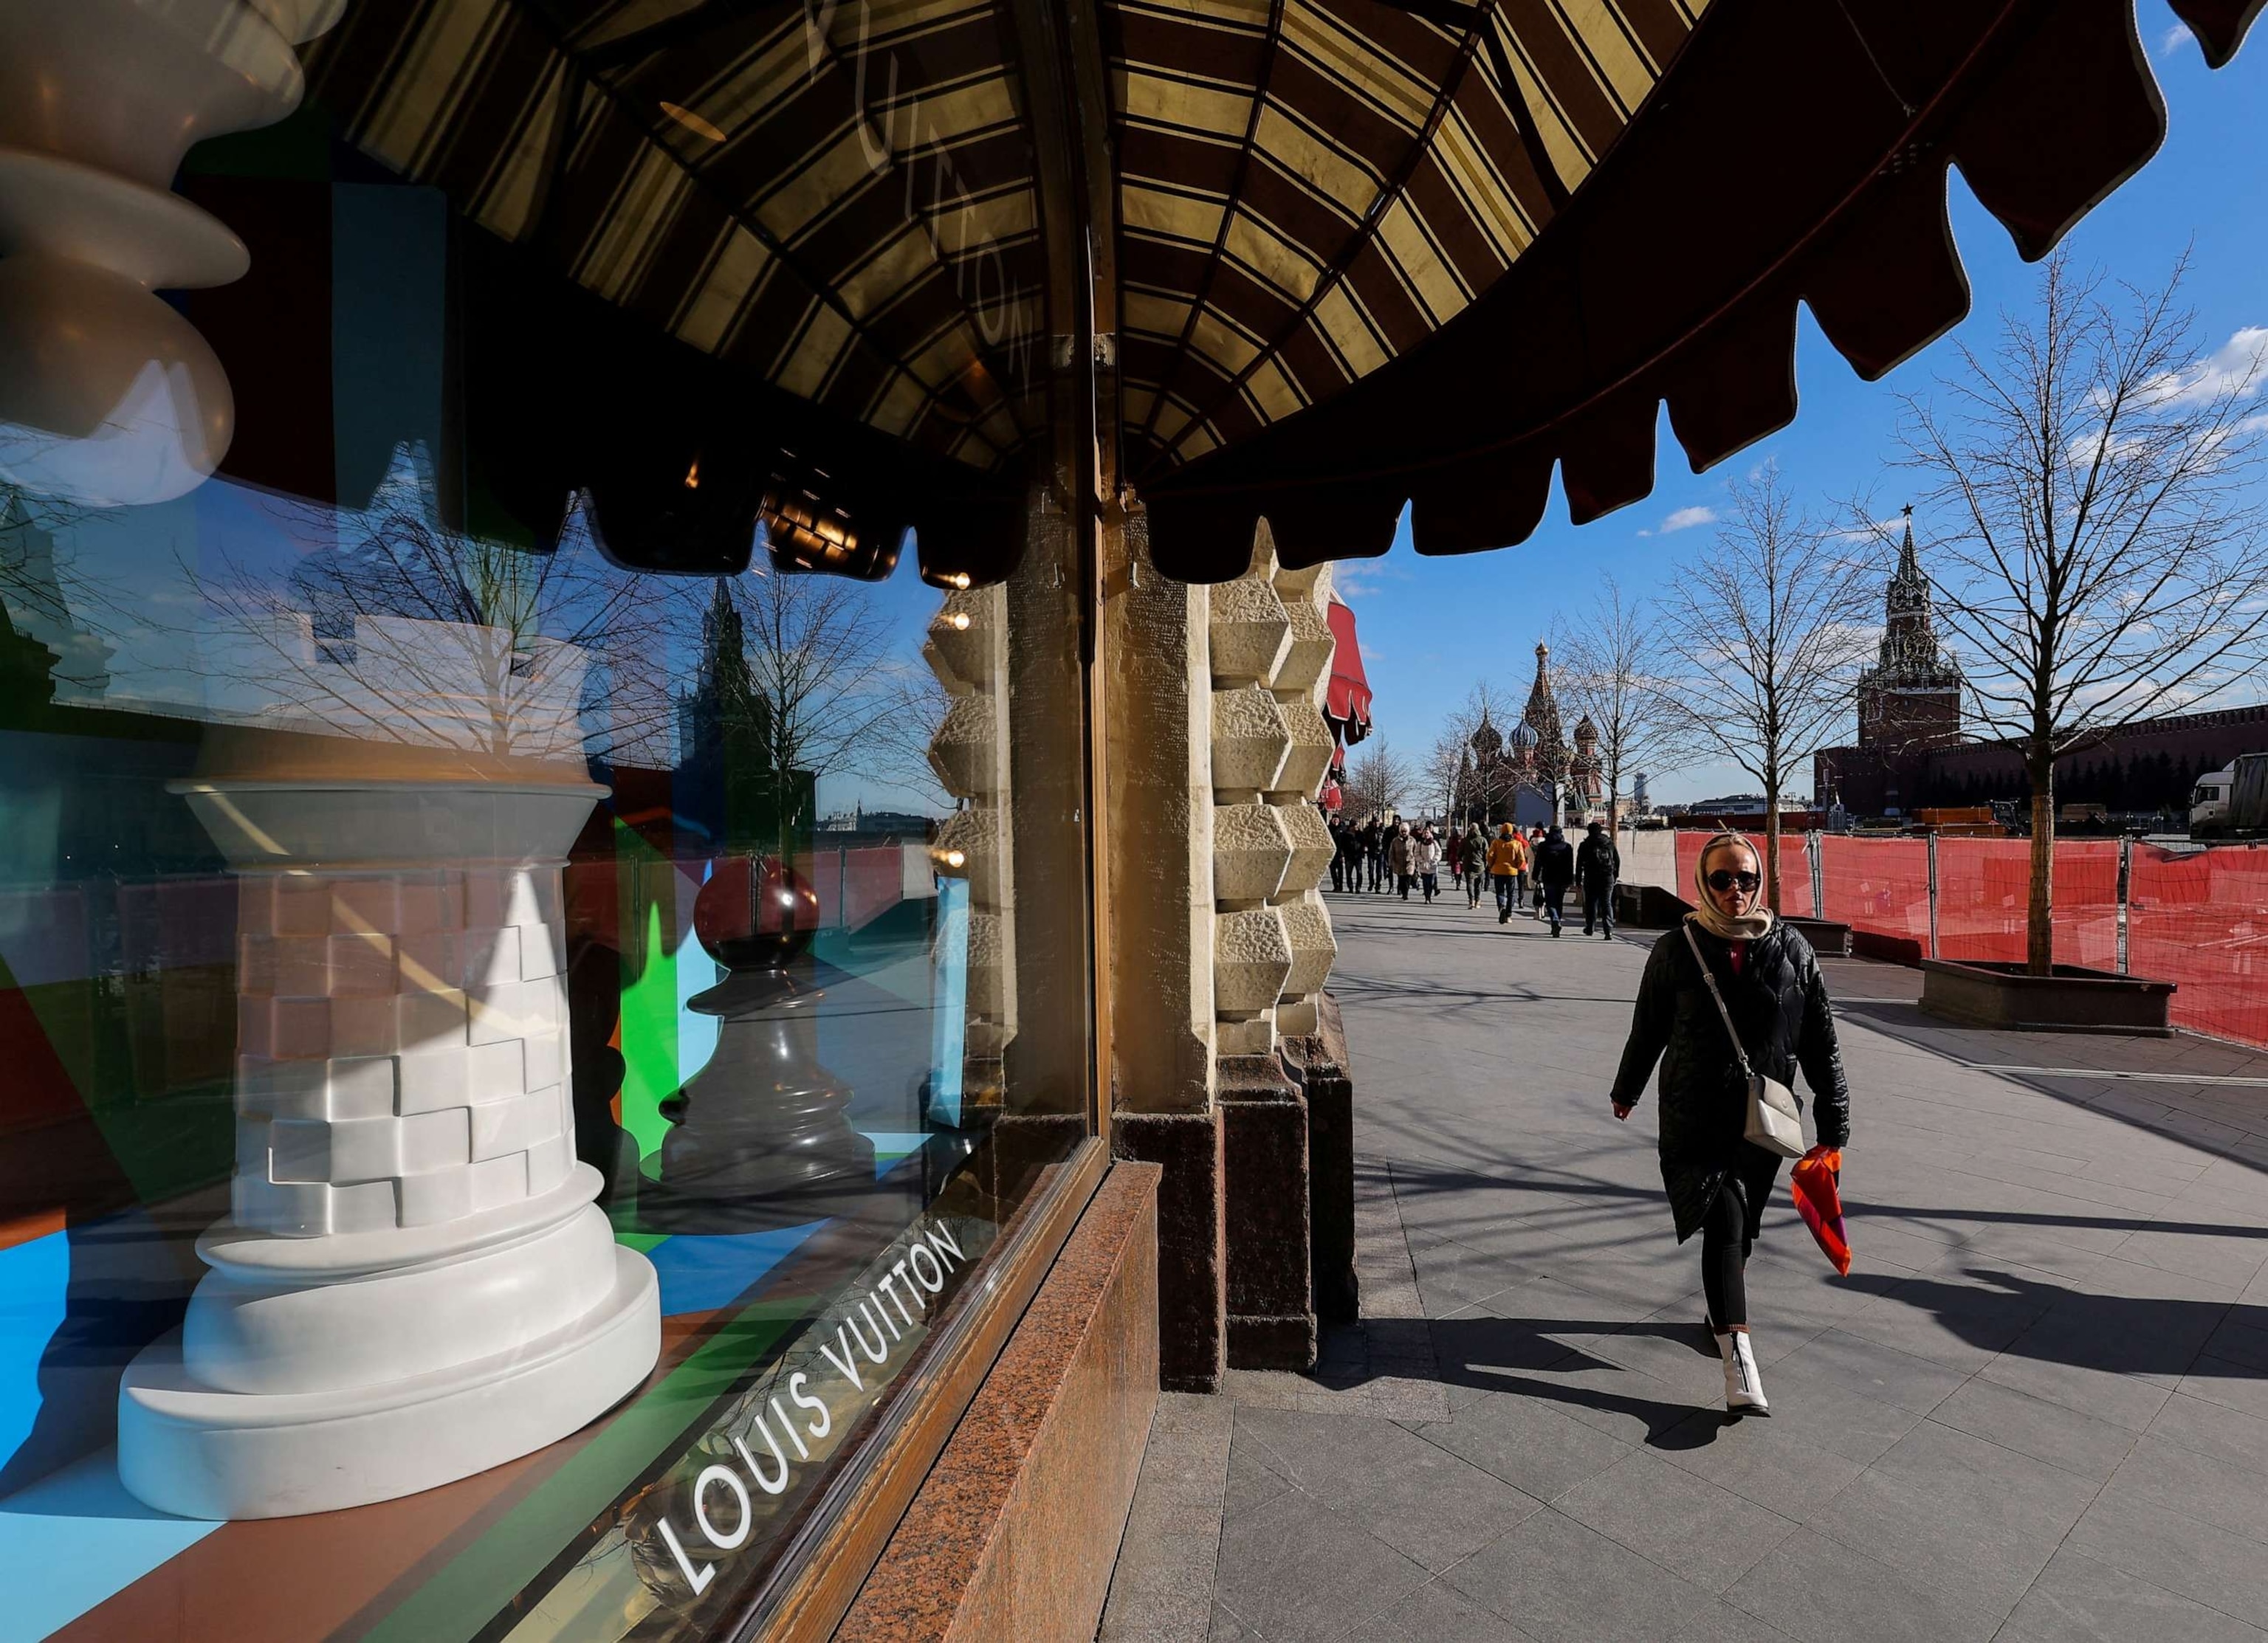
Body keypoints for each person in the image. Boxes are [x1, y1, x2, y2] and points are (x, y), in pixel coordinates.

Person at [1609, 832, 1852, 1416]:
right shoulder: (1676, 948)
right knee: (1723, 1219)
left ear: (1760, 881)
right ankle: (1738, 1357)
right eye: (1722, 879)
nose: (1735, 890)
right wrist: (1628, 1088)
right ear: (1703, 882)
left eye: (1746, 878)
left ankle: (1720, 1309)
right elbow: (1649, 1029)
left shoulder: (1793, 949)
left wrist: (1833, 1118)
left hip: (1764, 1117)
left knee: (1740, 1231)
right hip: (1693, 1111)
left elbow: (1821, 1040)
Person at [1577, 819, 1621, 940]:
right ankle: (1609, 931)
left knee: (1591, 903)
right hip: (1607, 877)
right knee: (1606, 903)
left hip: (1591, 877)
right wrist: (1615, 875)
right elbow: (1617, 860)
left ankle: (1590, 928)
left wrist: (1578, 880)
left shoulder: (1585, 845)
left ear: (1589, 831)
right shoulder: (1609, 843)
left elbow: (1579, 863)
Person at [1534, 824, 1575, 935]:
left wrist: (1535, 876)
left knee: (1550, 902)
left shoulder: (1543, 846)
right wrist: (1570, 880)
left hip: (1549, 877)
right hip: (1563, 879)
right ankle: (1558, 921)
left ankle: (1555, 920)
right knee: (1559, 902)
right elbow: (1570, 865)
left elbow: (1538, 863)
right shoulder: (1567, 847)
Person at [1485, 822, 1528, 923]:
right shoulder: (1516, 844)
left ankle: (1501, 908)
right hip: (1511, 872)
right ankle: (1509, 914)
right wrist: (1516, 867)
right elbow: (1521, 859)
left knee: (1499, 892)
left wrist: (1491, 865)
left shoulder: (1496, 843)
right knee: (1511, 893)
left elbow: (1489, 855)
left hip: (1498, 871)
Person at [1412, 822, 1441, 903]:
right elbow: (1416, 853)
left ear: (1430, 834)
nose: (1426, 834)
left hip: (1432, 866)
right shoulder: (1420, 843)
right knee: (1425, 883)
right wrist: (1421, 860)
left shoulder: (1434, 843)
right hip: (1424, 866)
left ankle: (1430, 894)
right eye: (1425, 833)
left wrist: (1435, 860)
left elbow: (1439, 852)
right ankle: (1427, 898)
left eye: (1427, 833)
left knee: (1431, 883)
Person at [1463, 821, 1489, 907]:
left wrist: (1460, 859)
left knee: (1470, 883)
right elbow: (1487, 853)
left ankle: (1471, 900)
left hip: (1468, 864)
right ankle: (1478, 900)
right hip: (1480, 866)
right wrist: (1486, 863)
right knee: (1478, 884)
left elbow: (1459, 852)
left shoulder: (1465, 840)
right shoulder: (1482, 840)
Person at [1387, 819, 1415, 899]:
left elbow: (1416, 850)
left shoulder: (1412, 840)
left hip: (1410, 861)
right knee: (1401, 879)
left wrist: (1417, 861)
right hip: (1399, 862)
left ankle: (1406, 893)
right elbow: (1391, 852)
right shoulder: (1395, 841)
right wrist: (1391, 862)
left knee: (1408, 877)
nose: (1404, 833)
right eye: (1402, 831)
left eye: (1405, 831)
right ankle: (1402, 890)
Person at [1327, 816, 1347, 893]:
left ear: (1339, 820)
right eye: (1334, 820)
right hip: (1332, 853)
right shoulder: (1328, 828)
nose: (1335, 821)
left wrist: (1343, 854)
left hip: (1340, 853)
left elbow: (1345, 842)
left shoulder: (1343, 829)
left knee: (1340, 871)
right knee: (1333, 870)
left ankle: (1340, 886)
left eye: (1337, 820)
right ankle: (1335, 886)